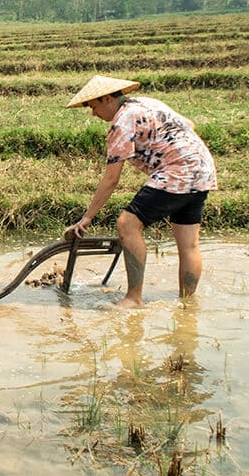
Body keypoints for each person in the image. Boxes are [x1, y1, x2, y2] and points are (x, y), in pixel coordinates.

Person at [63, 74, 217, 308]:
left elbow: (111, 179)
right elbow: (189, 124)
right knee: (189, 245)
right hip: (202, 170)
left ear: (106, 99)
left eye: (94, 107)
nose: (94, 113)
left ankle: (133, 299)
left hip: (177, 172)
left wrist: (87, 217)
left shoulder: (122, 122)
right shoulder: (147, 103)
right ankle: (187, 304)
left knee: (127, 224)